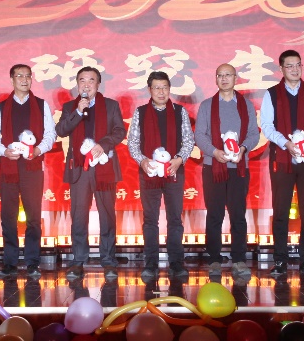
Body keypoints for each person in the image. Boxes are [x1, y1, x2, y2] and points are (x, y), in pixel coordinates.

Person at [259, 50, 304, 278]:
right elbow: (267, 126)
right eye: (289, 66)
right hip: (282, 158)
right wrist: (286, 143)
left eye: (298, 64)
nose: (295, 69)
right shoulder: (272, 94)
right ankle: (280, 260)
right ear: (281, 69)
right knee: (281, 210)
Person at [55, 66, 126, 280]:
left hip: (104, 167)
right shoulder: (70, 107)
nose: (86, 85)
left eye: (91, 80)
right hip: (79, 168)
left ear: (98, 84)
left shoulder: (111, 106)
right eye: (82, 81)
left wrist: (103, 144)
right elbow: (61, 130)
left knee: (107, 215)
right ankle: (78, 260)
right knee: (78, 216)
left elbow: (119, 131)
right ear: (77, 84)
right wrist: (78, 112)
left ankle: (108, 260)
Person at [0, 63, 56, 279]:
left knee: (33, 217)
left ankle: (33, 262)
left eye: (28, 76)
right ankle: (10, 263)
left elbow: (50, 134)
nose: (24, 80)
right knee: (8, 217)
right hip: (9, 168)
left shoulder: (41, 105)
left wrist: (38, 150)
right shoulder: (2, 107)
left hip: (32, 168)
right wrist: (4, 152)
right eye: (19, 76)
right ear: (12, 80)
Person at [127, 71, 195, 281]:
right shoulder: (140, 112)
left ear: (169, 89)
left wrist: (179, 159)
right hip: (149, 174)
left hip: (174, 172)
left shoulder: (180, 112)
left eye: (164, 87)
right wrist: (142, 161)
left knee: (175, 219)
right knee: (150, 220)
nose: (161, 92)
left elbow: (188, 140)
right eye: (156, 88)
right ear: (149, 90)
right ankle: (151, 263)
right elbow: (133, 143)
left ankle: (176, 263)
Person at [196, 64, 259, 280]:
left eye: (228, 75)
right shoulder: (207, 105)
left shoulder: (246, 105)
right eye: (220, 75)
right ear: (216, 79)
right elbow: (200, 135)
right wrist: (215, 152)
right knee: (214, 214)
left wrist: (243, 149)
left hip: (238, 168)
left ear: (235, 78)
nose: (224, 79)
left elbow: (253, 134)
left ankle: (239, 260)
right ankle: (214, 259)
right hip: (213, 166)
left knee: (238, 215)